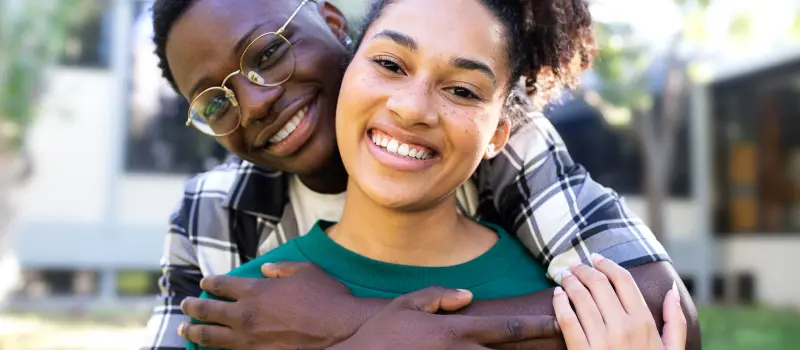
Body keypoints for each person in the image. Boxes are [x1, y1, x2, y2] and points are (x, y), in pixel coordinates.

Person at [144, 0, 699, 349]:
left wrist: (360, 322)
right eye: (216, 102)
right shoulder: (211, 210)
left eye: (267, 54)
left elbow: (654, 303)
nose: (257, 103)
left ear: (335, 25)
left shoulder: (507, 145)